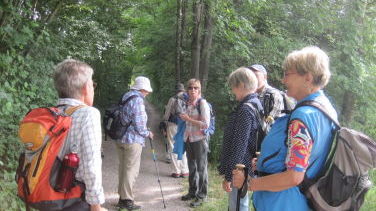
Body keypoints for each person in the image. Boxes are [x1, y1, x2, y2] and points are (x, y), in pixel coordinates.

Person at [232, 46, 338, 211]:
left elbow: (294, 176)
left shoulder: (303, 117)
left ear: (308, 78)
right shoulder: (326, 108)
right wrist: (265, 161)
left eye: (287, 74)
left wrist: (248, 183)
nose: (283, 80)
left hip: (283, 203)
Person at [53, 59, 107, 211]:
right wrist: (96, 205)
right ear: (85, 88)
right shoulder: (88, 114)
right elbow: (91, 163)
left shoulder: (52, 113)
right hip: (73, 200)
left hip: (48, 194)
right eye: (92, 84)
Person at [218, 67, 262, 211]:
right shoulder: (256, 104)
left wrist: (230, 176)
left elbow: (239, 145)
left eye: (233, 86)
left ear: (242, 85)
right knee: (240, 203)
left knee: (238, 205)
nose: (232, 90)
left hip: (240, 169)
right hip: (248, 164)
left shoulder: (245, 109)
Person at [114, 76, 154, 210]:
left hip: (120, 137)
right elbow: (140, 124)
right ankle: (127, 201)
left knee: (123, 169)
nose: (147, 93)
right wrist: (148, 133)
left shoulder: (126, 96)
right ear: (142, 89)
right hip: (132, 140)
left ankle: (121, 198)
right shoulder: (137, 100)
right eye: (147, 90)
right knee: (131, 170)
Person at [179, 79, 210, 207]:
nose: (193, 90)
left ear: (199, 90)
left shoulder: (202, 104)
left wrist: (188, 119)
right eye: (190, 88)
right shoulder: (187, 103)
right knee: (191, 167)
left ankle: (202, 196)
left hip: (200, 140)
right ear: (187, 90)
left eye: (195, 88)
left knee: (201, 168)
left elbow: (205, 125)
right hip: (188, 139)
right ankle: (192, 192)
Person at [248, 64, 287, 130]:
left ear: (265, 77)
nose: (253, 80)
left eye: (256, 76)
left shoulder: (274, 94)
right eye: (251, 77)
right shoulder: (251, 95)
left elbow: (273, 123)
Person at [162, 83, 189, 178]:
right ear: (183, 90)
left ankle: (176, 171)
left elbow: (167, 113)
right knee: (183, 146)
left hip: (173, 124)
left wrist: (164, 123)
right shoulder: (188, 98)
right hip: (185, 124)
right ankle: (185, 170)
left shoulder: (173, 99)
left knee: (173, 146)